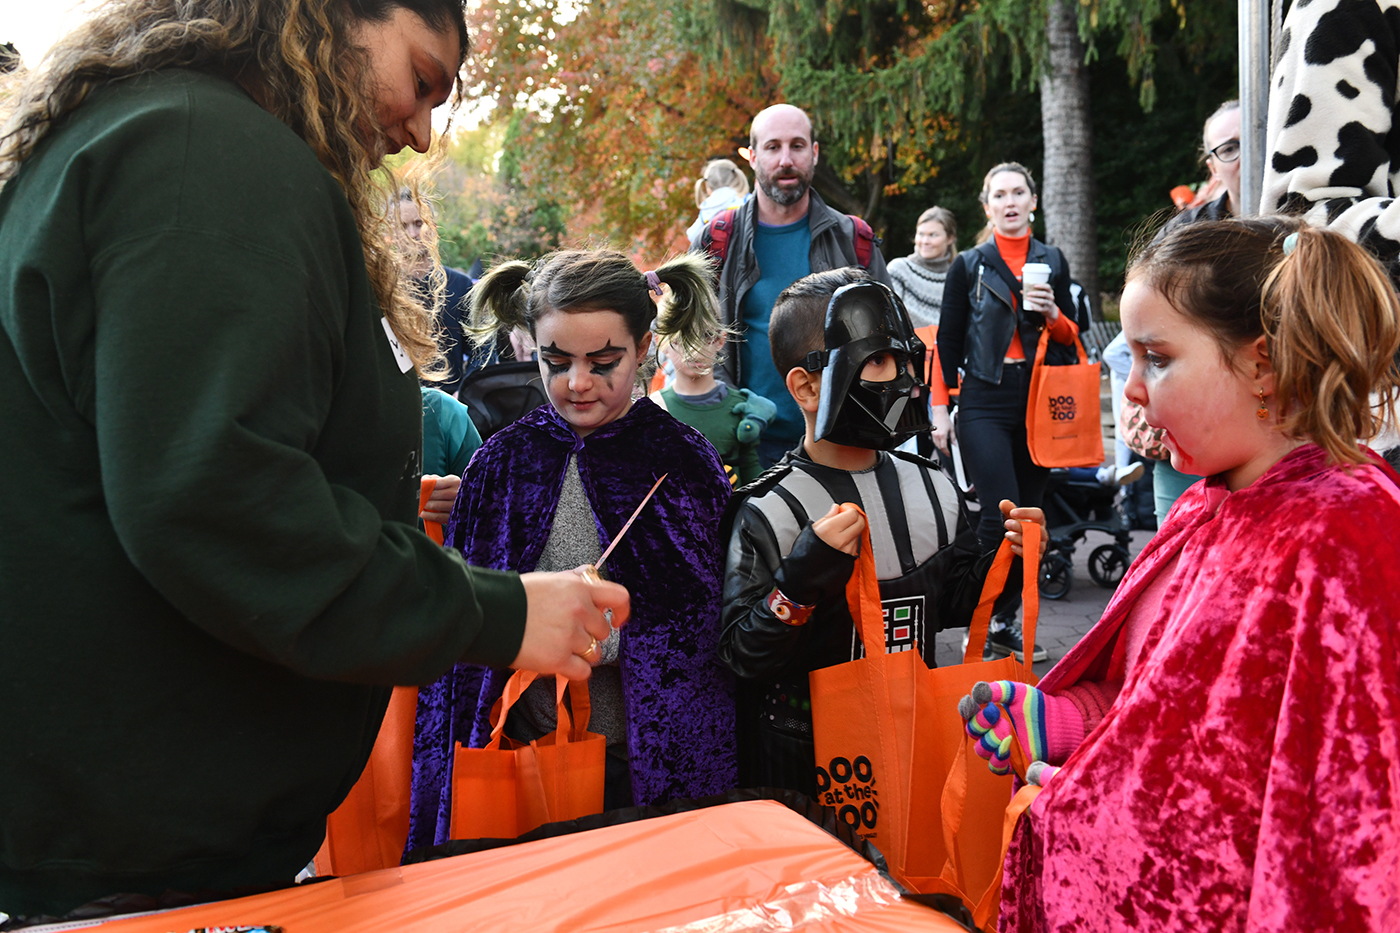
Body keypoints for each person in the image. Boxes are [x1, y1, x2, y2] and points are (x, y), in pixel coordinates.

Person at [0, 0, 626, 917]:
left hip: (132, 832)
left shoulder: (171, 138)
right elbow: (215, 492)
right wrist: (496, 611)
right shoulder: (202, 155)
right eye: (420, 80)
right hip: (133, 851)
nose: (418, 133)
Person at [967, 218, 1400, 932]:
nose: (1131, 389)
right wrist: (1065, 723)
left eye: (1156, 358)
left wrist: (1084, 806)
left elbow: (1341, 847)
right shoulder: (1211, 503)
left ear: (1263, 364)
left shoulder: (1349, 537)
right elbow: (1172, 705)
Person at [406, 250, 737, 849]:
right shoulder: (502, 463)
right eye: (556, 362)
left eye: (603, 361)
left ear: (643, 349)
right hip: (522, 754)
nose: (577, 382)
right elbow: (463, 628)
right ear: (531, 347)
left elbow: (698, 624)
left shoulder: (684, 463)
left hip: (644, 769)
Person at [717, 268, 1044, 796]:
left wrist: (1013, 558)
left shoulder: (932, 486)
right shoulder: (770, 509)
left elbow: (956, 600)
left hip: (914, 740)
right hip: (803, 763)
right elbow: (742, 655)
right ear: (805, 387)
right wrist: (801, 581)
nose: (907, 380)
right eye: (877, 360)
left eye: (907, 358)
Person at [936, 162, 1088, 662]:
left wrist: (1051, 314)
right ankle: (978, 623)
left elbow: (1070, 338)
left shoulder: (1053, 259)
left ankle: (1005, 623)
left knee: (1031, 521)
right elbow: (947, 344)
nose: (1010, 201)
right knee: (999, 516)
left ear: (1033, 201)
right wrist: (941, 411)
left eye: (1018, 192)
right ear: (987, 207)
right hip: (983, 398)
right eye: (999, 194)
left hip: (1039, 399)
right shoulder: (968, 264)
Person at [693, 103, 891, 467]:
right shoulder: (717, 240)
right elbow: (693, 340)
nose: (786, 159)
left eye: (797, 146)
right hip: (747, 448)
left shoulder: (852, 238)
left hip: (841, 444)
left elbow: (887, 344)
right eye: (772, 147)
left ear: (813, 153)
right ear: (752, 157)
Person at [392, 188, 495, 394]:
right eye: (404, 226)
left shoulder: (459, 285)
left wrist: (465, 393)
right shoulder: (384, 289)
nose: (413, 234)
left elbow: (483, 351)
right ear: (392, 233)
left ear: (434, 228)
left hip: (452, 405)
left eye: (419, 223)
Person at [649, 333, 775, 487]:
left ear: (721, 340)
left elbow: (750, 470)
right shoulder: (653, 409)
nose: (695, 350)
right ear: (662, 343)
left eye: (706, 337)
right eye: (682, 339)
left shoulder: (741, 405)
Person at [1161, 100, 1240, 233]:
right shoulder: (1183, 232)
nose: (1248, 155)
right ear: (1213, 169)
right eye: (1229, 149)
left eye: (1259, 137)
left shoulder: (1288, 223)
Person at [887, 205, 958, 329]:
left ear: (950, 239)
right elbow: (888, 322)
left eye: (933, 235)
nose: (925, 241)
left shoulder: (958, 276)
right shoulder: (899, 270)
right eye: (921, 234)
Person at [686, 157, 749, 242]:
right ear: (737, 178)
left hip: (719, 254)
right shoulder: (746, 199)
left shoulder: (707, 207)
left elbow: (692, 236)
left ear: (708, 186)